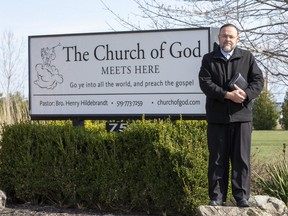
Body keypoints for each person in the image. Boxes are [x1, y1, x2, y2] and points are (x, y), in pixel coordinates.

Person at [198, 23, 264, 207]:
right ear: (218, 37)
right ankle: (217, 197)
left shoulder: (247, 57)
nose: (227, 39)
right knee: (217, 159)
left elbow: (258, 80)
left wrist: (246, 94)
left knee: (241, 159)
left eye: (231, 36)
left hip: (242, 117)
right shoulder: (208, 59)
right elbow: (205, 83)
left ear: (237, 38)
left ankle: (241, 196)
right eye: (224, 36)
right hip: (217, 118)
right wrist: (227, 95)